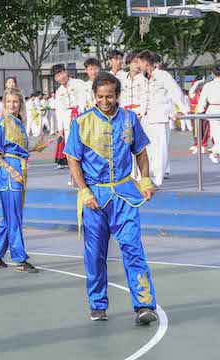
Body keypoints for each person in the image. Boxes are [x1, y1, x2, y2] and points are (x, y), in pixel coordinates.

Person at [65, 73, 159, 325]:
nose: (105, 101)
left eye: (109, 96)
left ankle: (144, 304)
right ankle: (98, 304)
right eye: (100, 96)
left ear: (117, 95)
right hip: (94, 197)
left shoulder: (130, 119)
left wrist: (146, 179)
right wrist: (83, 190)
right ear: (93, 96)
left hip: (125, 194)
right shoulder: (81, 122)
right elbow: (73, 159)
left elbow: (140, 152)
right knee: (95, 253)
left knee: (132, 248)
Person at [0, 87, 38, 273]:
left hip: (18, 171)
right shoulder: (2, 123)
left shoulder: (18, 123)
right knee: (14, 217)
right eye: (8, 102)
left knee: (10, 217)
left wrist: (37, 148)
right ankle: (20, 258)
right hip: (9, 174)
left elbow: (18, 150)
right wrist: (10, 169)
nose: (12, 105)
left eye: (15, 102)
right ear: (4, 104)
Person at [137, 50, 187, 186]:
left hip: (160, 116)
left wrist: (181, 109)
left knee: (160, 149)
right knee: (147, 149)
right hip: (146, 117)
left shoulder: (163, 75)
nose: (138, 65)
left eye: (140, 62)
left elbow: (175, 91)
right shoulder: (143, 78)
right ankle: (146, 177)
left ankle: (156, 179)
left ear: (146, 62)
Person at [53, 64, 86, 175]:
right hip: (68, 121)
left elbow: (84, 100)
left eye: (62, 73)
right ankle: (75, 176)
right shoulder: (58, 92)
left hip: (81, 118)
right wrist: (60, 128)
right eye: (58, 75)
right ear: (55, 78)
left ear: (66, 72)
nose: (61, 77)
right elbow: (59, 111)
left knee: (84, 147)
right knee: (71, 149)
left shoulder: (79, 83)